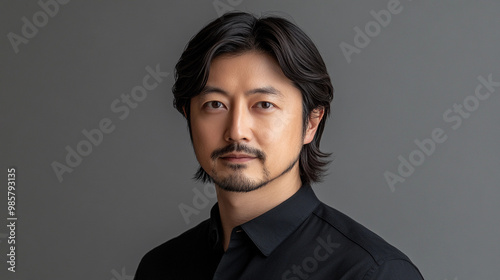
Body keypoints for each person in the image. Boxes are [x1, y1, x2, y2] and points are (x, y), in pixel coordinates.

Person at [134, 12, 424, 280]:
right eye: (215, 104)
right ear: (189, 115)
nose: (236, 131)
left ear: (311, 123)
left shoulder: (372, 272)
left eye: (264, 105)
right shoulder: (161, 267)